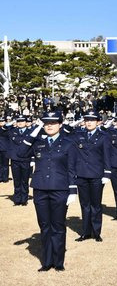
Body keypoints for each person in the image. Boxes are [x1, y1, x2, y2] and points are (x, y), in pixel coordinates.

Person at [18, 112, 77, 272]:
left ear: (60, 125)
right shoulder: (38, 143)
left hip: (60, 189)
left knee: (58, 226)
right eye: (46, 123)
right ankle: (47, 261)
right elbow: (21, 152)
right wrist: (36, 129)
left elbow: (72, 168)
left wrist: (73, 190)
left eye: (53, 122)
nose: (49, 125)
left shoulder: (68, 143)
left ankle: (58, 262)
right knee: (44, 226)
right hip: (40, 189)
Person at [72, 110, 111, 242]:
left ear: (98, 122)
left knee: (96, 204)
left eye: (92, 120)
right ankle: (85, 232)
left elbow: (107, 156)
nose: (89, 122)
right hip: (82, 174)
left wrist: (107, 173)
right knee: (84, 204)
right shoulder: (78, 135)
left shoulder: (103, 136)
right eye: (87, 120)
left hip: (96, 175)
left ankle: (96, 231)